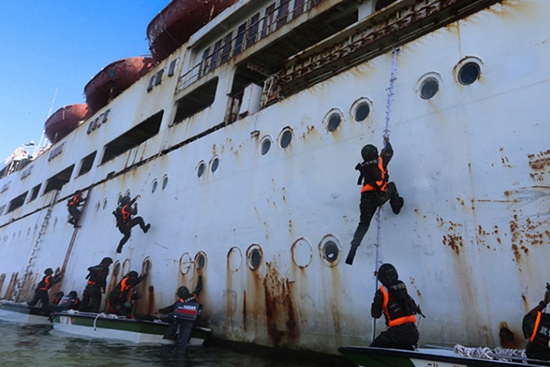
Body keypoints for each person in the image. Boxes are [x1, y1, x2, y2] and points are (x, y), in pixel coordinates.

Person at [346, 136, 404, 265]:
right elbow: (390, 153)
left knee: (363, 224)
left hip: (366, 199)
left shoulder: (363, 166)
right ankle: (396, 207)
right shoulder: (380, 161)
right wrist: (387, 143)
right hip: (379, 196)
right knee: (392, 187)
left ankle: (353, 248)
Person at [370, 263, 422, 350]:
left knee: (372, 350)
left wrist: (376, 301)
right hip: (413, 333)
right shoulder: (402, 286)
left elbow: (375, 314)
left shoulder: (382, 292)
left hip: (396, 335)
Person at [159, 275, 203, 350]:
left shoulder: (179, 302)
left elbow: (170, 308)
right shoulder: (194, 296)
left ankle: (172, 336)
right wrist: (200, 277)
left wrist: (160, 311)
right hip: (195, 321)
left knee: (173, 320)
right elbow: (199, 288)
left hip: (182, 322)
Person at [523, 284, 550, 361]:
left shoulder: (541, 320)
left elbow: (528, 319)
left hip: (535, 359)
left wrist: (544, 303)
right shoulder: (542, 320)